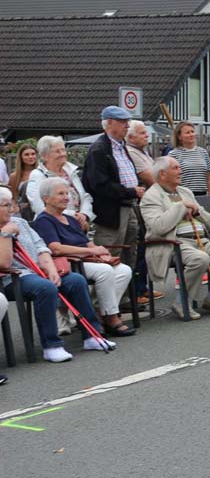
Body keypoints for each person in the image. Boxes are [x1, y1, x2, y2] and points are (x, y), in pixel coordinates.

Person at [0, 187, 116, 362]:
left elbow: (40, 246)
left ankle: (92, 336)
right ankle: (52, 345)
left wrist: (51, 269)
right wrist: (6, 233)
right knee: (45, 288)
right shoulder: (8, 227)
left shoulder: (21, 223)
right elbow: (4, 264)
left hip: (39, 270)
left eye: (11, 205)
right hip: (13, 277)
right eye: (5, 206)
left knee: (76, 281)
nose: (11, 209)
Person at [142, 157, 210, 319]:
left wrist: (197, 211)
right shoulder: (151, 196)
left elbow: (209, 220)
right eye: (175, 168)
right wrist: (181, 207)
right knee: (200, 258)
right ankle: (182, 301)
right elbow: (158, 227)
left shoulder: (185, 192)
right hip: (174, 244)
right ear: (162, 174)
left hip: (201, 241)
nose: (180, 171)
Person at [33, 178, 135, 337]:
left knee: (124, 270)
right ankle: (112, 318)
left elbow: (87, 242)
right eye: (61, 194)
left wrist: (100, 251)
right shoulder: (43, 220)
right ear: (46, 198)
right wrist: (91, 253)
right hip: (70, 262)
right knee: (105, 271)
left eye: (67, 193)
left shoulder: (70, 218)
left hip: (87, 260)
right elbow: (55, 248)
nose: (66, 197)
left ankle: (101, 313)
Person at [83, 106, 144, 271]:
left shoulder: (120, 146)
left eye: (128, 122)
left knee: (129, 251)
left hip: (128, 205)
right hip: (111, 211)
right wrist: (131, 191)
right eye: (123, 121)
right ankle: (105, 296)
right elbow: (100, 185)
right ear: (109, 123)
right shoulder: (99, 149)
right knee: (110, 252)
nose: (127, 126)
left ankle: (126, 295)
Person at [26, 136, 94, 226]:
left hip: (77, 225)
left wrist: (84, 215)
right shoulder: (38, 175)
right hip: (52, 226)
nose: (63, 154)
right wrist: (73, 215)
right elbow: (39, 206)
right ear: (45, 156)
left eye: (63, 150)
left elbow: (84, 196)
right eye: (57, 151)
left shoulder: (70, 172)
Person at [168, 122, 210, 196]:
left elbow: (209, 177)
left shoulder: (203, 152)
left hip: (202, 195)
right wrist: (175, 199)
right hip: (183, 195)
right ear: (179, 137)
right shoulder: (173, 154)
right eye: (187, 132)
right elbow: (170, 179)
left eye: (192, 132)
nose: (191, 135)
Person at [9, 143, 38, 217]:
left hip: (40, 211)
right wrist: (16, 207)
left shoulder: (42, 172)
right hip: (23, 213)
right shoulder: (14, 176)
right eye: (26, 154)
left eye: (33, 154)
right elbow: (12, 198)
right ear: (21, 157)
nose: (30, 157)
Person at [125, 121, 156, 187]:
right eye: (142, 133)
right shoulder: (131, 153)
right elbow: (152, 180)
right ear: (130, 137)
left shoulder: (141, 151)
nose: (147, 135)